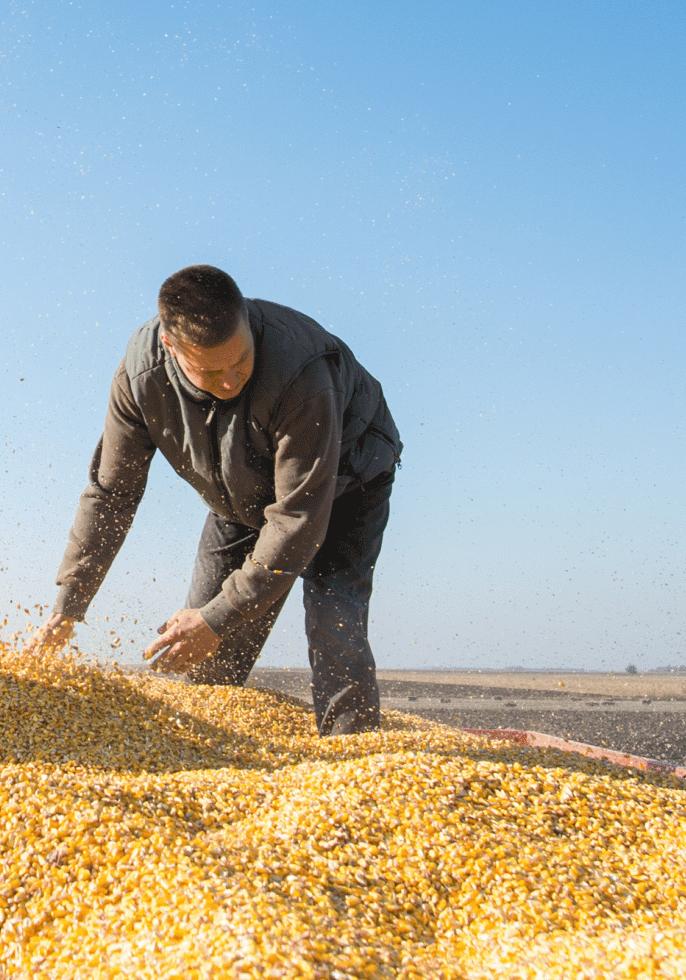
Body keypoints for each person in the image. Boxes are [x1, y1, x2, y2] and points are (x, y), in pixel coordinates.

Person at [24, 264, 403, 734]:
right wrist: (69, 606)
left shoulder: (302, 371)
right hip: (239, 498)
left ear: (246, 319)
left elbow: (298, 520)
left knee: (333, 622)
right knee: (204, 650)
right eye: (210, 371)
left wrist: (218, 618)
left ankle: (351, 753)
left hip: (347, 482)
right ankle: (218, 758)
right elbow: (112, 495)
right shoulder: (140, 378)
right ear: (170, 347)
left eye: (241, 361)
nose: (230, 381)